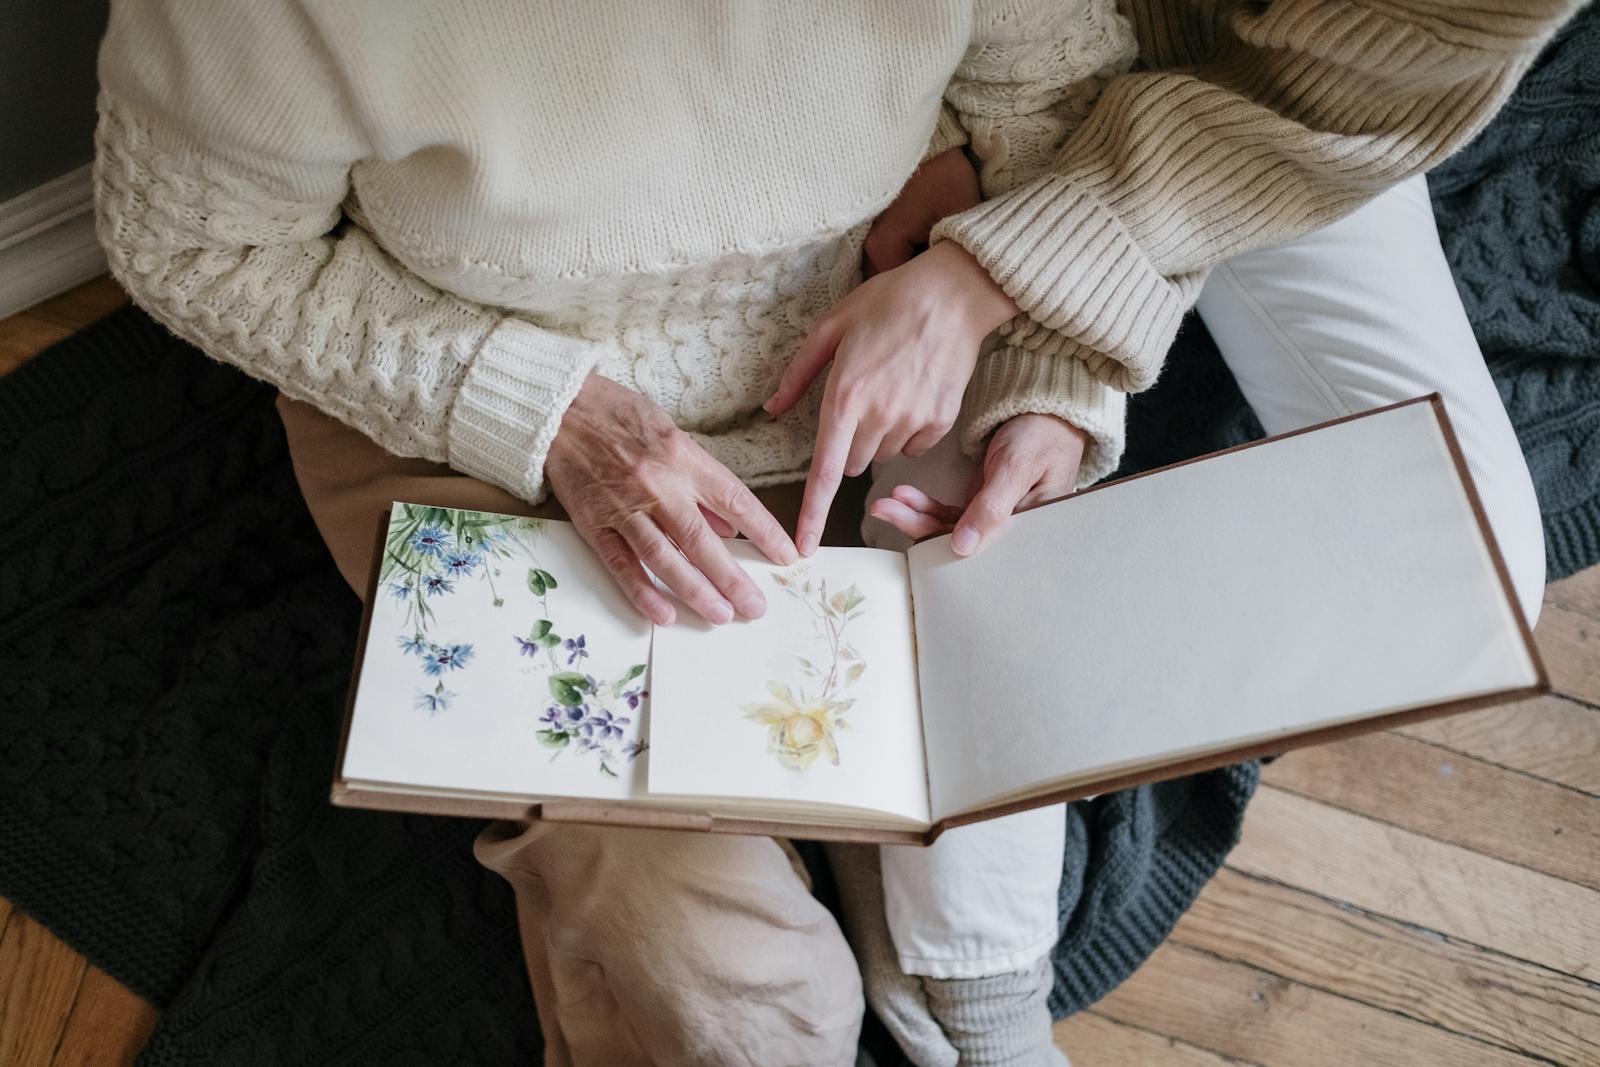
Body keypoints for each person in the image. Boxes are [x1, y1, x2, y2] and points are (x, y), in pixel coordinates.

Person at [94, 1, 1574, 1064]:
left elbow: (1055, 101)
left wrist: (1045, 379)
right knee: (726, 994)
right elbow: (192, 241)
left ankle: (972, 987)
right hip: (497, 390)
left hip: (886, 287)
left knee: (1002, 626)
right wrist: (556, 417)